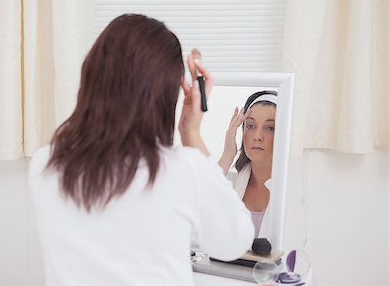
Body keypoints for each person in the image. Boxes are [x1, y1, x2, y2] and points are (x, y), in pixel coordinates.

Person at [28, 14, 254, 286]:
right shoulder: (184, 170)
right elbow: (235, 242)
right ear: (164, 95)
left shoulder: (46, 163)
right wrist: (191, 133)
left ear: (92, 76)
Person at [218, 90, 277, 238]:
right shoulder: (228, 182)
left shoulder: (293, 192)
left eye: (270, 128)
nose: (257, 137)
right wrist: (227, 155)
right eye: (250, 126)